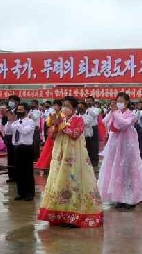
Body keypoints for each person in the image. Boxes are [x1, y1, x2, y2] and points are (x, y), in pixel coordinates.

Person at [38, 96, 103, 228]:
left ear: (73, 108)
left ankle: (74, 216)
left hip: (74, 157)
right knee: (59, 182)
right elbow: (51, 135)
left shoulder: (79, 119)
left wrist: (62, 126)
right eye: (63, 105)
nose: (64, 108)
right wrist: (56, 126)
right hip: (60, 156)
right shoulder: (59, 118)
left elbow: (76, 133)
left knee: (74, 183)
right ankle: (60, 215)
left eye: (67, 106)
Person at [98, 92, 142, 209]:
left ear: (127, 102)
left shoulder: (131, 114)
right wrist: (112, 111)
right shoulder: (116, 112)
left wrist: (115, 113)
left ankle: (130, 199)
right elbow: (105, 122)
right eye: (117, 100)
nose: (119, 103)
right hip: (115, 145)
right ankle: (119, 198)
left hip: (127, 146)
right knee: (116, 170)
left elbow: (122, 124)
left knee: (128, 170)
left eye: (121, 101)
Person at [5, 103, 36, 201]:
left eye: (21, 110)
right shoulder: (16, 122)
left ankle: (29, 193)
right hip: (16, 147)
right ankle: (20, 192)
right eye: (18, 110)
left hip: (26, 148)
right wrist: (10, 122)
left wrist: (16, 123)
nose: (18, 112)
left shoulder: (30, 122)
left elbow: (24, 131)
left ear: (26, 111)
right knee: (18, 171)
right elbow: (7, 131)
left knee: (27, 171)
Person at [1, 95, 19, 178]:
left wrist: (13, 119)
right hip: (8, 134)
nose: (10, 102)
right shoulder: (8, 111)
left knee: (16, 155)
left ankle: (16, 174)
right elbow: (4, 123)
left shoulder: (19, 111)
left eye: (12, 100)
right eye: (9, 100)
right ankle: (11, 175)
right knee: (10, 155)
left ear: (17, 102)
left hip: (16, 134)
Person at [84, 96, 100, 168]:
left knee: (94, 145)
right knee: (87, 144)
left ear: (93, 101)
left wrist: (88, 108)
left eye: (90, 101)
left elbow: (94, 115)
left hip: (93, 127)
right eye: (87, 101)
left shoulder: (97, 109)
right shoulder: (84, 109)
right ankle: (87, 160)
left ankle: (94, 161)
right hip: (86, 128)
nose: (88, 102)